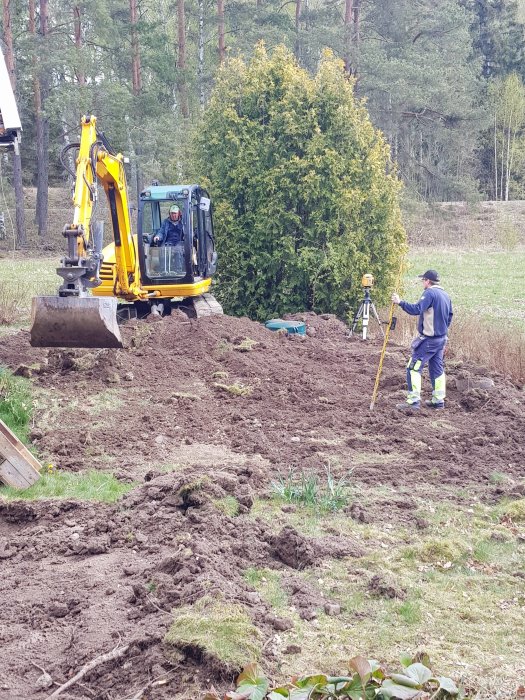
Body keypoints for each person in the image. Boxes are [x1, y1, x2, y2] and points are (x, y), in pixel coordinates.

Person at [392, 269, 453, 411]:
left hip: (429, 341)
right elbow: (450, 316)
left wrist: (400, 302)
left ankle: (413, 403)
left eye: (423, 280)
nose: (422, 283)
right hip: (441, 339)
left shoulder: (430, 293)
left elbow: (417, 309)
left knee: (412, 368)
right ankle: (438, 401)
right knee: (437, 368)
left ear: (427, 281)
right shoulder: (445, 295)